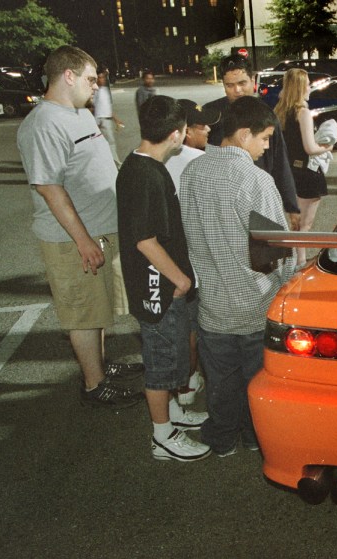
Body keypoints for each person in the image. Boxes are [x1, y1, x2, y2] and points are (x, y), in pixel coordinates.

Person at [17, 45, 143, 409]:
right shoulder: (43, 124)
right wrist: (83, 239)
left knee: (97, 307)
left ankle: (100, 366)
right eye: (90, 79)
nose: (96, 86)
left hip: (101, 230)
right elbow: (49, 188)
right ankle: (94, 385)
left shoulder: (79, 114)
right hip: (74, 240)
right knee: (83, 314)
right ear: (67, 76)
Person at [179, 96, 296, 457]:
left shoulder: (191, 173)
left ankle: (222, 438)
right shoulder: (256, 180)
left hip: (213, 303)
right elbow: (277, 252)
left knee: (220, 381)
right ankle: (253, 436)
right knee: (256, 379)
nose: (265, 148)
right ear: (244, 135)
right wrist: (288, 288)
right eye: (263, 139)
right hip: (255, 303)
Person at [116, 96, 210, 462]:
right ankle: (162, 436)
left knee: (169, 356)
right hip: (158, 285)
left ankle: (171, 415)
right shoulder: (145, 175)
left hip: (163, 281)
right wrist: (180, 281)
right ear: (176, 134)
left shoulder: (144, 166)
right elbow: (144, 240)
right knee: (160, 362)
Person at [164, 99, 220, 406]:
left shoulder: (154, 157)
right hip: (192, 258)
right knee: (191, 326)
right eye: (201, 126)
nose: (208, 129)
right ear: (185, 131)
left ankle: (181, 384)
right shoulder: (195, 161)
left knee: (173, 326)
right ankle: (185, 384)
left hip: (163, 256)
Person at [203, 55, 299, 230]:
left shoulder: (266, 115)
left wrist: (292, 206)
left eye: (242, 83)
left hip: (258, 197)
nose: (237, 90)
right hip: (219, 201)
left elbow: (280, 161)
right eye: (229, 85)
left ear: (253, 80)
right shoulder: (211, 115)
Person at [274, 68, 334, 265]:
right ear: (300, 87)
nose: (310, 87)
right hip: (307, 174)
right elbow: (310, 147)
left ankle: (293, 262)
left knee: (294, 224)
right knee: (304, 226)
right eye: (307, 83)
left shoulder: (280, 111)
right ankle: (299, 264)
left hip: (289, 173)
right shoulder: (303, 112)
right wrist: (327, 147)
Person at [92, 69, 123, 168]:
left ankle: (115, 162)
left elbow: (108, 108)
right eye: (99, 78)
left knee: (110, 142)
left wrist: (116, 120)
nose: (102, 80)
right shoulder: (95, 91)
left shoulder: (105, 91)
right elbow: (93, 107)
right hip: (99, 120)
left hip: (106, 120)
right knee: (103, 142)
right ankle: (115, 163)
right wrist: (95, 122)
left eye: (103, 78)